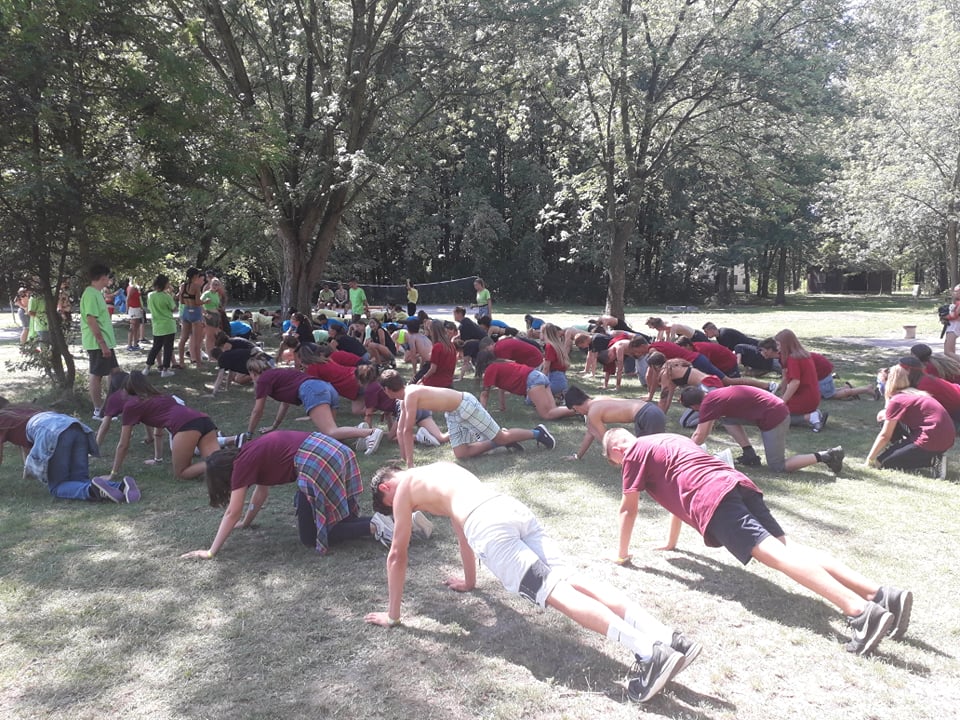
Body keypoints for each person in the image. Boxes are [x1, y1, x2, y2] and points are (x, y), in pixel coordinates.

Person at [364, 461, 701, 703]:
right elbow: (460, 529)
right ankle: (669, 638)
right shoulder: (441, 468)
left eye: (392, 508)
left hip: (489, 528)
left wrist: (393, 615)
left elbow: (397, 554)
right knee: (574, 579)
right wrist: (470, 581)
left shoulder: (404, 488)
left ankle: (650, 653)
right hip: (510, 508)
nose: (402, 511)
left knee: (557, 592)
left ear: (385, 489)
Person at [603, 429, 912, 656]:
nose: (620, 466)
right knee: (788, 547)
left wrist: (621, 555)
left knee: (775, 555)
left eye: (615, 462)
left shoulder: (634, 454)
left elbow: (628, 508)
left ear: (617, 449)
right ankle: (881, 595)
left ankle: (860, 611)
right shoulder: (667, 439)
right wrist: (671, 542)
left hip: (712, 497)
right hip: (734, 482)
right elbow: (677, 495)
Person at [180, 431, 417, 559]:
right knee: (337, 520)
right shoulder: (250, 452)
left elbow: (232, 511)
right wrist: (246, 522)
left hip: (317, 461)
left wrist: (211, 551)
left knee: (311, 537)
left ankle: (376, 526)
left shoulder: (243, 465)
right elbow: (261, 493)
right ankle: (399, 521)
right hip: (333, 450)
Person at [379, 369, 555, 467]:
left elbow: (408, 430)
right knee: (461, 454)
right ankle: (500, 442)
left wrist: (410, 466)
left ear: (387, 389)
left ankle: (538, 433)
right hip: (453, 413)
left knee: (501, 436)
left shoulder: (410, 395)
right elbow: (401, 430)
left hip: (465, 405)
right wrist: (404, 459)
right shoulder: (404, 398)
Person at [0, 397, 139, 503]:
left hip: (52, 432)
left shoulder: (2, 418)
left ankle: (92, 490)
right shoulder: (23, 411)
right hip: (74, 426)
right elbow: (27, 445)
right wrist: (28, 471)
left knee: (57, 486)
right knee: (79, 479)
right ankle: (121, 486)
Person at [679, 386, 844, 474]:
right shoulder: (713, 394)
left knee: (778, 466)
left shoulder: (708, 404)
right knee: (726, 418)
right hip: (773, 408)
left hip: (775, 417)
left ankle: (828, 455)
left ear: (694, 406)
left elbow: (701, 434)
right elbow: (706, 429)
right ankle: (749, 453)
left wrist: (684, 455)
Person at [243, 354, 383, 452]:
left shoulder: (263, 380)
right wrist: (274, 426)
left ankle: (370, 432)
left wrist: (249, 434)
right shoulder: (277, 373)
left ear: (252, 372)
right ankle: (358, 430)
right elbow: (285, 403)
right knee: (332, 436)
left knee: (330, 432)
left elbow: (257, 410)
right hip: (327, 388)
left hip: (313, 390)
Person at [110, 371, 225, 479]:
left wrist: (113, 473)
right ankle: (229, 460)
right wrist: (157, 459)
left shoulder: (132, 405)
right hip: (204, 419)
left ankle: (228, 460)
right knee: (218, 463)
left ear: (126, 389)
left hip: (186, 426)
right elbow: (158, 432)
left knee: (181, 473)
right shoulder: (162, 397)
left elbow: (123, 444)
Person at [864, 365, 955, 471]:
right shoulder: (913, 393)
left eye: (879, 383)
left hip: (930, 438)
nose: (878, 386)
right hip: (946, 439)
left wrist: (869, 459)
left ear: (888, 383)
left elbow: (885, 435)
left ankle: (932, 460)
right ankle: (907, 450)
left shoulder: (897, 400)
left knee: (881, 462)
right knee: (883, 416)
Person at [563, 386, 665, 461]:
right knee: (647, 451)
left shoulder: (593, 412)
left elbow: (607, 439)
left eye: (575, 410)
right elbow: (590, 432)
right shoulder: (598, 400)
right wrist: (578, 456)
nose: (578, 413)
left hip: (646, 415)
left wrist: (611, 455)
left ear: (575, 407)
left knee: (649, 453)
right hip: (652, 410)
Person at [357, 365, 447, 448]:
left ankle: (419, 437)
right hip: (421, 408)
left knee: (392, 437)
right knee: (441, 438)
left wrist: (367, 434)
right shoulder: (381, 385)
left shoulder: (370, 389)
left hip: (407, 409)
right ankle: (455, 430)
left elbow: (368, 415)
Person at [81, 264, 119, 420]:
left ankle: (111, 405)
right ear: (103, 277)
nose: (109, 280)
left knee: (115, 372)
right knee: (97, 375)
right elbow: (91, 320)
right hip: (97, 344)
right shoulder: (90, 294)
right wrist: (102, 344)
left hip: (105, 342)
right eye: (108, 277)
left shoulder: (97, 293)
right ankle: (98, 410)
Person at [480, 360, 577, 421]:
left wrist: (481, 414)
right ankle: (579, 411)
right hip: (538, 376)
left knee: (547, 414)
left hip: (533, 381)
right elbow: (501, 389)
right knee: (553, 411)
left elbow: (484, 394)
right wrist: (502, 408)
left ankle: (579, 408)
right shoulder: (500, 365)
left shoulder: (490, 370)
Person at [771, 330, 828, 432]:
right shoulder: (804, 355)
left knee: (775, 417)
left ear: (786, 344)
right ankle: (813, 414)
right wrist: (782, 396)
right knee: (776, 410)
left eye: (779, 345)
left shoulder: (793, 359)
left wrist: (783, 401)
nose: (777, 348)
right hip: (813, 396)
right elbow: (787, 379)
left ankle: (810, 417)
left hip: (803, 398)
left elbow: (795, 382)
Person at [144, 274, 177, 378]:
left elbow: (150, 307)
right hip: (168, 325)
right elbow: (174, 309)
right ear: (164, 284)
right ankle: (165, 370)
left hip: (157, 325)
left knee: (155, 347)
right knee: (168, 348)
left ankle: (147, 368)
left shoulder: (150, 295)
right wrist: (171, 295)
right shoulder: (167, 296)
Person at [176, 267, 205, 369]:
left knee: (183, 338)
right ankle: (199, 364)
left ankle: (181, 362)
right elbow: (197, 302)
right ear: (195, 276)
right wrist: (205, 301)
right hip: (195, 312)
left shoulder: (183, 286)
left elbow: (181, 301)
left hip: (186, 311)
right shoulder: (196, 286)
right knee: (197, 340)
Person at [419, 319, 457, 388]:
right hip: (448, 381)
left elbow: (433, 369)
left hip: (436, 382)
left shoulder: (437, 347)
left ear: (433, 331)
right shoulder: (452, 346)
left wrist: (423, 377)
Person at [540, 323, 571, 398]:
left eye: (541, 332)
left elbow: (546, 367)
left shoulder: (549, 346)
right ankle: (559, 396)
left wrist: (540, 381)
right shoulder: (558, 345)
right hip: (562, 379)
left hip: (554, 379)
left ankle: (557, 395)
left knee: (530, 398)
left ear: (544, 333)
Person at [942, 283, 960, 359]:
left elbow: (955, 315)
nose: (954, 293)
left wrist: (945, 317)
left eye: (956, 291)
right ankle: (954, 365)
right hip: (953, 325)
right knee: (950, 351)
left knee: (948, 352)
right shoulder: (957, 302)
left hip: (954, 326)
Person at [126, 280, 143, 351]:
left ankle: (135, 344)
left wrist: (141, 308)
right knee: (132, 327)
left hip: (137, 308)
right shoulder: (132, 288)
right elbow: (127, 298)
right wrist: (127, 309)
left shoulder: (136, 288)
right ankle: (129, 345)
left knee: (136, 327)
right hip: (133, 308)